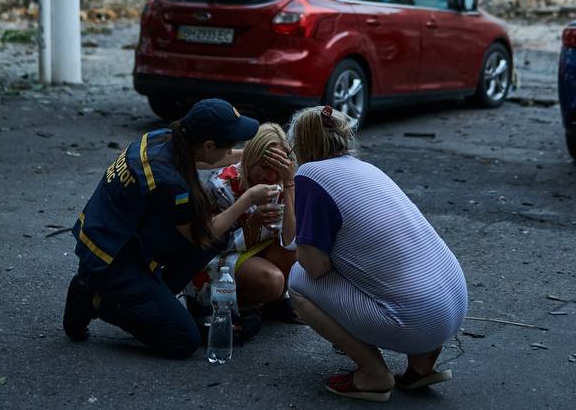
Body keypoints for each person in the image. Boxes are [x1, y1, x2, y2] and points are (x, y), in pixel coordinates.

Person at [61, 98, 280, 359]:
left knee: (214, 241)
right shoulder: (169, 183)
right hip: (110, 261)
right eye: (231, 145)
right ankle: (94, 300)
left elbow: (206, 161)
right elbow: (202, 236)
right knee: (183, 340)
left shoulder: (166, 139)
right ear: (208, 145)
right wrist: (247, 200)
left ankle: (152, 302)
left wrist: (253, 155)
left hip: (118, 236)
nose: (233, 149)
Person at [287, 105, 467, 401]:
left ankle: (372, 374)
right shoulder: (365, 168)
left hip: (418, 320)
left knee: (298, 279)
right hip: (454, 306)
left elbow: (314, 266)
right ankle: (421, 366)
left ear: (301, 146)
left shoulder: (309, 175)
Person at [198, 122, 303, 324]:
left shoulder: (282, 182)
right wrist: (252, 225)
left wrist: (289, 184)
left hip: (253, 249)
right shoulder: (223, 185)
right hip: (221, 256)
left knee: (297, 255)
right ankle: (230, 305)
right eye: (264, 167)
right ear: (250, 160)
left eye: (278, 169)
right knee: (273, 281)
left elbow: (292, 241)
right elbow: (209, 245)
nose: (271, 177)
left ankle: (275, 301)